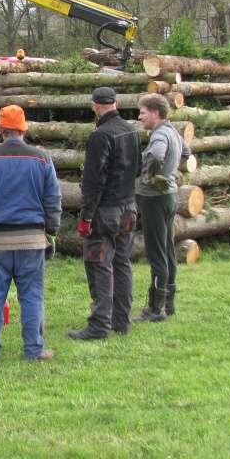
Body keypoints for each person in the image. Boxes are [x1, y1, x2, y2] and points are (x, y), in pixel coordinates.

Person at [0, 105, 62, 361]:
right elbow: (53, 199)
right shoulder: (41, 158)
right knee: (31, 296)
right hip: (32, 240)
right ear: (24, 129)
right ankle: (34, 350)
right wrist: (51, 230)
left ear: (1, 129)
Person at [69, 87, 140, 341]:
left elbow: (93, 181)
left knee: (100, 265)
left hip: (105, 211)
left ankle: (99, 325)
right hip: (129, 207)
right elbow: (138, 169)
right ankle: (121, 320)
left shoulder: (100, 136)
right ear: (116, 103)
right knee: (122, 263)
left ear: (95, 107)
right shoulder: (131, 130)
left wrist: (86, 216)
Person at [134, 94, 192, 322]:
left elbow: (157, 155)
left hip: (155, 199)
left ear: (156, 113)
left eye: (143, 112)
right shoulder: (173, 133)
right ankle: (168, 303)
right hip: (170, 196)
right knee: (167, 249)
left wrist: (150, 175)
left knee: (157, 252)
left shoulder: (159, 134)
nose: (140, 117)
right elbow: (185, 152)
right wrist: (172, 171)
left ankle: (155, 308)